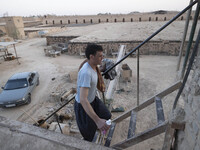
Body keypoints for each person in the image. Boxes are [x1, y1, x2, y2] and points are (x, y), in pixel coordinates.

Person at [74, 44, 111, 142]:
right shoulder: (86, 73)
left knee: (107, 115)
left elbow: (96, 73)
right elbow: (83, 99)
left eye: (102, 55)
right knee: (89, 135)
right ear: (91, 57)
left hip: (93, 100)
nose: (102, 58)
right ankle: (98, 126)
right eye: (100, 56)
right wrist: (98, 120)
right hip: (83, 106)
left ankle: (101, 129)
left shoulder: (93, 66)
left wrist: (105, 70)